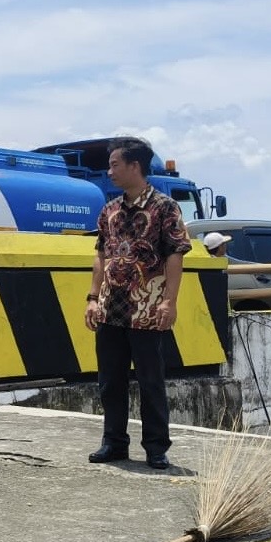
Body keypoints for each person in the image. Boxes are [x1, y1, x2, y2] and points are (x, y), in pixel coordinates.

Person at [84, 136, 193, 470]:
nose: (110, 171)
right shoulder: (110, 210)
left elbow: (176, 255)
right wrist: (92, 298)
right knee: (109, 381)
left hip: (147, 308)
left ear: (135, 166)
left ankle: (156, 447)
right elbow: (101, 255)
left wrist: (169, 302)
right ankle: (113, 442)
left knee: (150, 381)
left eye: (115, 164)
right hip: (110, 309)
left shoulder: (164, 207)